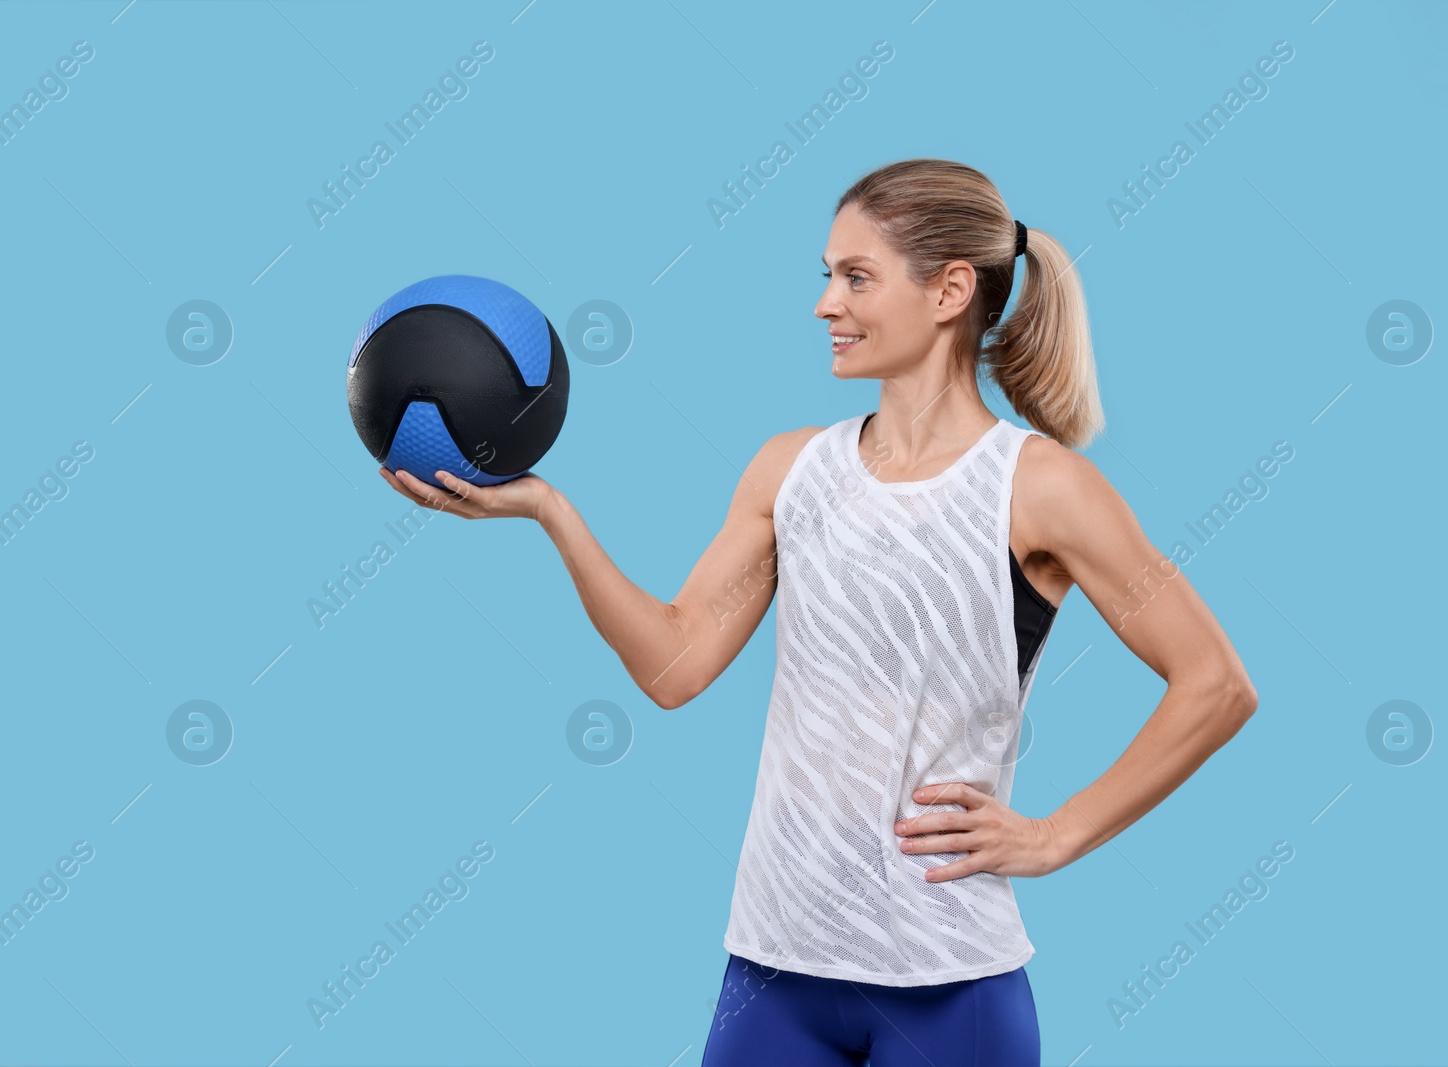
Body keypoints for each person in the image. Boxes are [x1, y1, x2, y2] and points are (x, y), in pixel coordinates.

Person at [380, 158, 1259, 1067]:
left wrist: (1056, 832)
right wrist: (552, 513)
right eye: (827, 275)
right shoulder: (790, 470)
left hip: (950, 983)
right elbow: (674, 667)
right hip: (772, 971)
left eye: (857, 277)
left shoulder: (1042, 490)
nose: (825, 305)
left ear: (951, 290)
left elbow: (1216, 685)